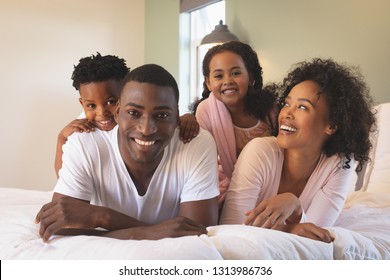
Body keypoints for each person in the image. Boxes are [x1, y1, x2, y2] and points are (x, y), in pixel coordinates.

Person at [36, 63, 219, 242]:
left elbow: (196, 238)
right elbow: (60, 231)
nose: (147, 129)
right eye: (133, 112)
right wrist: (148, 232)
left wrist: (101, 219)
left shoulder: (196, 142)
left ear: (176, 116)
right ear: (117, 113)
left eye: (162, 115)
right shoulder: (83, 143)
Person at [220, 58, 376, 243]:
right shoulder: (259, 151)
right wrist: (290, 226)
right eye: (287, 104)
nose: (286, 113)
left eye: (302, 107)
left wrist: (295, 207)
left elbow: (317, 235)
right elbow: (229, 229)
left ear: (331, 125)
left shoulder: (339, 164)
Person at [55, 53, 199, 177]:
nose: (101, 113)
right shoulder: (83, 128)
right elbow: (64, 176)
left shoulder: (140, 117)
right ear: (82, 104)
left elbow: (166, 119)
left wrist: (187, 118)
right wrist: (62, 137)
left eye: (111, 102)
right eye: (91, 105)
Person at [191, 41, 278, 209]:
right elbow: (203, 160)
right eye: (218, 76)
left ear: (251, 76)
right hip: (229, 182)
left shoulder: (269, 109)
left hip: (269, 183)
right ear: (208, 83)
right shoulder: (207, 110)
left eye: (236, 73)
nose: (227, 81)